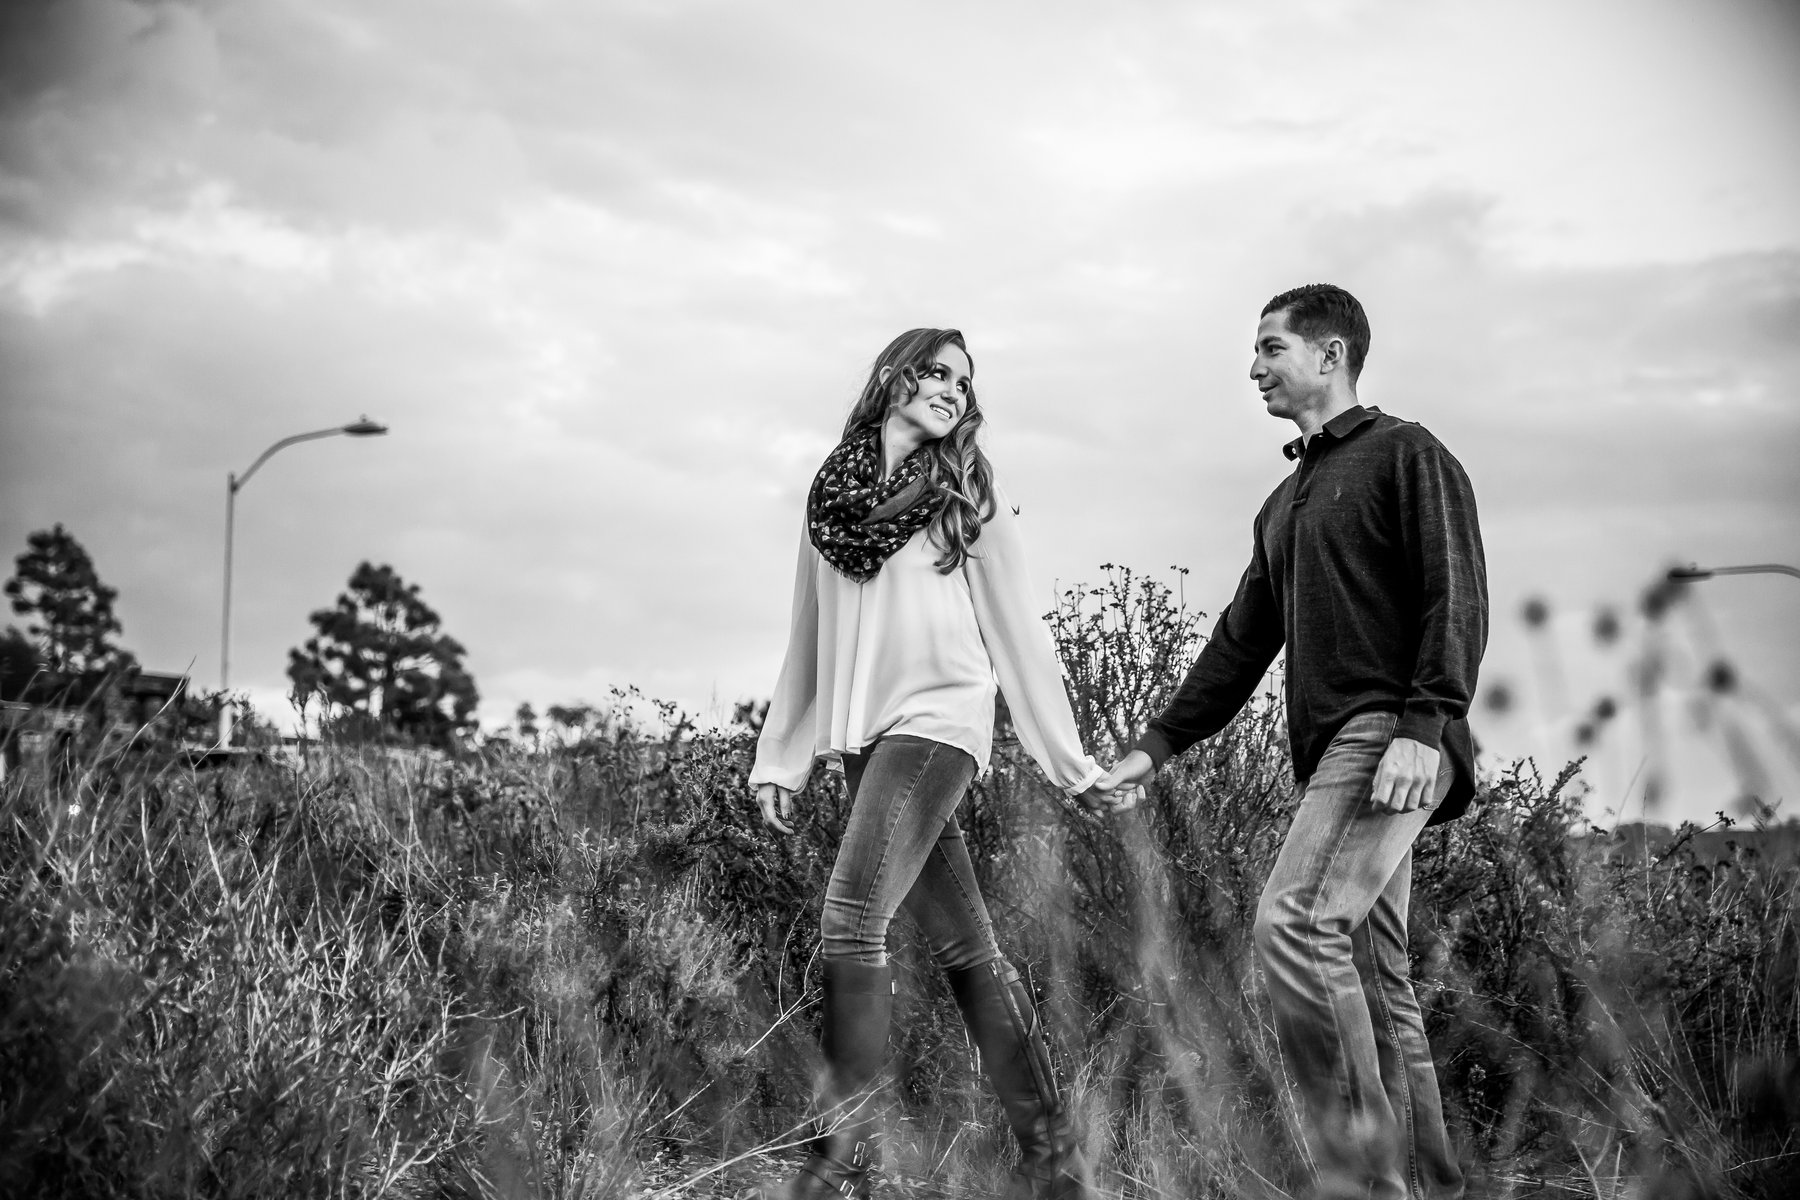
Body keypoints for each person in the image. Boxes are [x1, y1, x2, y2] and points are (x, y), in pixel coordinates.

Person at [1101, 284, 1487, 1200]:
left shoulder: (1407, 454)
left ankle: (1361, 1182)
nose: (1255, 368)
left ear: (1330, 354)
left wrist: (1423, 724)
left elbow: (1456, 592)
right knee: (1373, 979)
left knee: (1297, 925)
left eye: (1271, 348)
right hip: (1339, 757)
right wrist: (1154, 746)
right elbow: (1240, 644)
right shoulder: (1285, 502)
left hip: (1388, 734)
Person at [750, 327, 1129, 1200]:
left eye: (965, 381)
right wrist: (781, 758)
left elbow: (1018, 632)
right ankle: (1056, 1166)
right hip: (869, 738)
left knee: (852, 919)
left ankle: (836, 1165)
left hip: (939, 722)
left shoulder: (966, 491)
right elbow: (808, 633)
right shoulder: (830, 499)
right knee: (967, 945)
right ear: (894, 376)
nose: (954, 390)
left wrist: (1069, 763)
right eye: (937, 372)